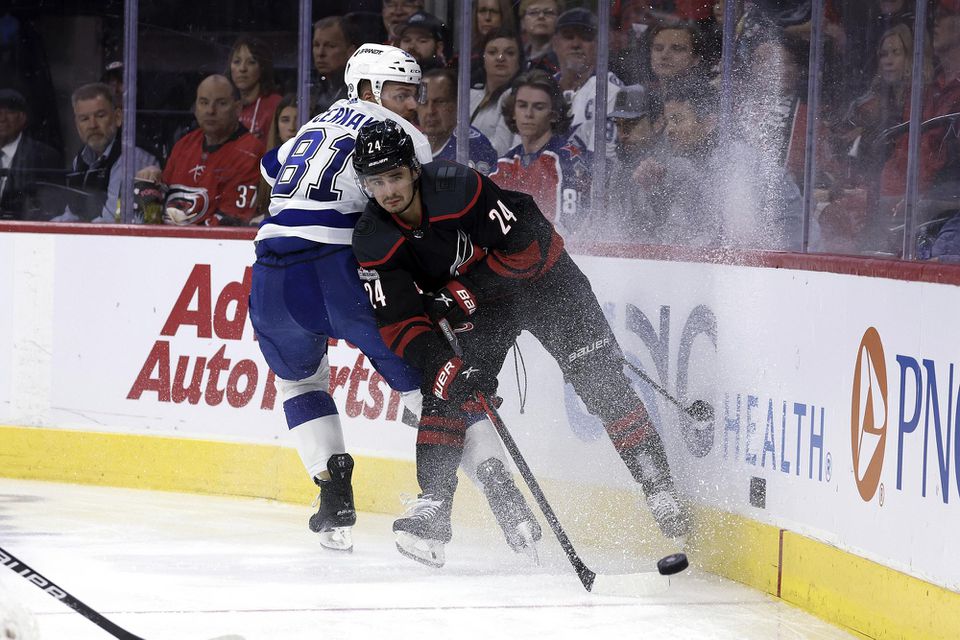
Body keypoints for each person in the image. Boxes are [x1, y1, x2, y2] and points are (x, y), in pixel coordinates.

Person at [350, 119, 689, 566]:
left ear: (414, 170)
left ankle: (658, 484)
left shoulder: (457, 187)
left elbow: (534, 245)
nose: (388, 190)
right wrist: (439, 362)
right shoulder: (372, 238)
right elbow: (398, 323)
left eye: (395, 176)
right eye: (376, 181)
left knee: (599, 379)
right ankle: (433, 508)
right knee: (446, 389)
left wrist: (465, 290)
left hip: (548, 282)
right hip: (483, 308)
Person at [250, 44, 539, 557]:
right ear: (367, 90)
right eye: (400, 93)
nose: (411, 106)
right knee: (432, 380)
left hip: (273, 275)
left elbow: (272, 170)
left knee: (299, 380)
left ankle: (333, 492)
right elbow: (411, 218)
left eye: (414, 94)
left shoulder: (314, 124)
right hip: (343, 269)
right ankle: (502, 491)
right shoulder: (402, 136)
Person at [135, 75, 263, 226]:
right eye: (204, 102)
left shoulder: (250, 152)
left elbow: (230, 222)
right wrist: (153, 181)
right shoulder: (184, 144)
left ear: (237, 108)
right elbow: (163, 200)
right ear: (195, 107)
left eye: (221, 103)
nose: (210, 110)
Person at [490, 70, 591, 234]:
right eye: (522, 105)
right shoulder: (504, 164)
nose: (528, 114)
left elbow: (568, 229)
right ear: (513, 112)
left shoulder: (565, 158)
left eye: (538, 107)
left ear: (553, 115)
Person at [52, 83, 157, 223]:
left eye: (100, 116)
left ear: (118, 117)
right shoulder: (81, 158)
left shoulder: (132, 158)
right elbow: (72, 213)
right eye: (84, 119)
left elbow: (111, 222)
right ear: (77, 125)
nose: (92, 125)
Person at [552, 8, 623, 157]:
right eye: (568, 36)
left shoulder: (609, 89)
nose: (576, 44)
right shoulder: (539, 90)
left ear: (599, 44)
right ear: (555, 43)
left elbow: (602, 162)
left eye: (586, 37)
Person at [419, 68, 498, 175]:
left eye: (440, 102)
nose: (430, 111)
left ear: (458, 104)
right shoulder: (415, 142)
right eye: (423, 102)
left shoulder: (472, 146)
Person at [0, 88, 62, 220]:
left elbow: (49, 211)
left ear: (22, 118)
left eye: (9, 112)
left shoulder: (44, 156)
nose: (2, 118)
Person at [469, 29, 524, 156]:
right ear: (483, 58)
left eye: (509, 53)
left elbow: (500, 150)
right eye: (492, 52)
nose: (500, 58)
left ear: (519, 61)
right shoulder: (470, 94)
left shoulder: (517, 97)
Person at [227, 36, 282, 142]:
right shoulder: (227, 105)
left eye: (251, 62)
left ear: (262, 67)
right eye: (237, 62)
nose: (242, 68)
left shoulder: (275, 104)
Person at [312, 16, 359, 113]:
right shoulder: (309, 90)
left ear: (350, 52)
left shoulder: (359, 93)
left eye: (330, 46)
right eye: (316, 45)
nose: (320, 53)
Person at [519, 0, 562, 73]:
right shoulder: (517, 58)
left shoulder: (562, 58)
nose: (541, 16)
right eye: (533, 13)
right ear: (522, 22)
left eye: (548, 12)